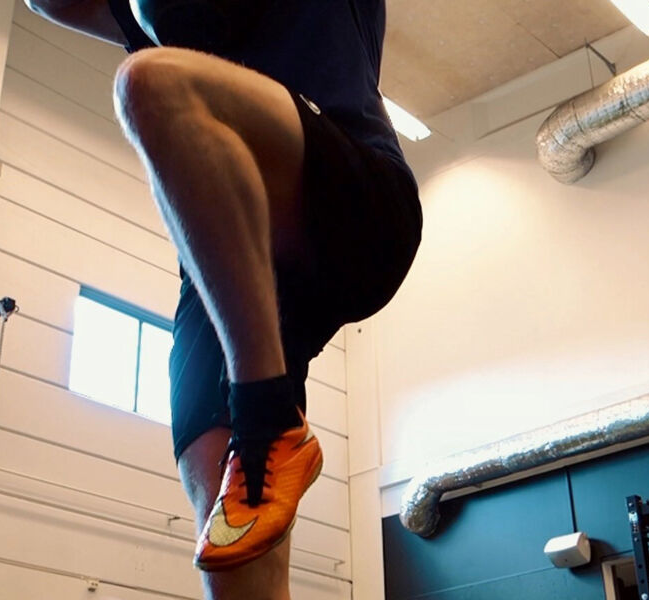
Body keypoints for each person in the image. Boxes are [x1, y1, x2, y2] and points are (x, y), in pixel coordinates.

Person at [24, 1, 422, 597]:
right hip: (230, 276)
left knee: (151, 84)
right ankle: (263, 429)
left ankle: (268, 419)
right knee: (228, 529)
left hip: (352, 206)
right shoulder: (166, 14)